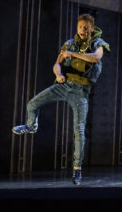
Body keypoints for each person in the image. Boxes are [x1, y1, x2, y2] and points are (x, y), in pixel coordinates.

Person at [12, 13, 110, 186]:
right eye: (80, 27)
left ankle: (77, 169)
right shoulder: (69, 43)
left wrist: (72, 54)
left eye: (86, 28)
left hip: (80, 92)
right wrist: (58, 74)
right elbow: (57, 63)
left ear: (92, 29)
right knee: (32, 103)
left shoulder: (98, 43)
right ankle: (31, 125)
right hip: (64, 85)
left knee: (79, 131)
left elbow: (96, 58)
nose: (82, 30)